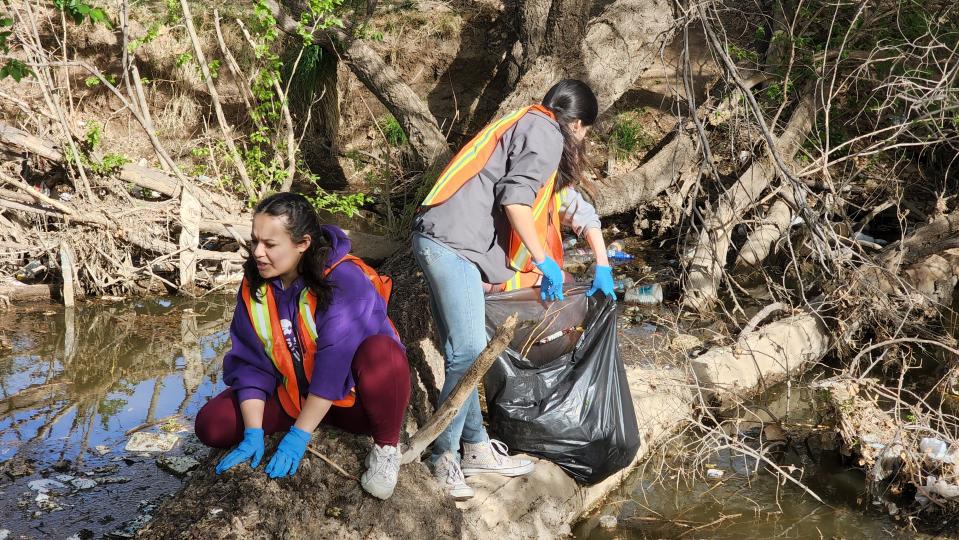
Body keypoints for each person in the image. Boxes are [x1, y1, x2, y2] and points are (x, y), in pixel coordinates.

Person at [412, 79, 615, 500]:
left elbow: (574, 206)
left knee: (461, 350)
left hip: (444, 241)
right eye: (585, 131)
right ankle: (443, 457)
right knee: (467, 353)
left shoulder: (527, 123)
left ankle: (476, 446)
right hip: (453, 247)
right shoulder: (546, 133)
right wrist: (544, 262)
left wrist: (601, 262)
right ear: (576, 124)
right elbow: (515, 200)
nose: (582, 139)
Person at [195, 192, 411, 500]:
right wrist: (253, 431)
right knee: (212, 425)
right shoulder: (255, 284)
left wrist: (299, 435)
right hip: (292, 396)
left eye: (270, 245)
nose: (257, 252)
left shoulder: (344, 279)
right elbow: (250, 362)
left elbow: (333, 367)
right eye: (255, 240)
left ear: (303, 244)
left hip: (352, 403)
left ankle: (388, 448)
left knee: (384, 354)